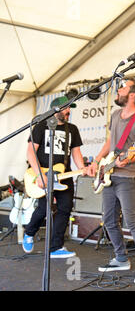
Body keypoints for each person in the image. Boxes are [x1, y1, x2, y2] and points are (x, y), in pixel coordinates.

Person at [87, 77, 135, 284]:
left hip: (128, 177)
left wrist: (129, 157)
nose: (117, 90)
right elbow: (111, 142)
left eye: (122, 87)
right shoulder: (116, 114)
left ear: (131, 95)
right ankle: (121, 258)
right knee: (108, 219)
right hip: (109, 174)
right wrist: (97, 160)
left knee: (132, 220)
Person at [22, 96, 87, 258]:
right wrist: (39, 174)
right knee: (43, 208)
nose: (69, 111)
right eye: (66, 108)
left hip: (64, 175)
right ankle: (29, 232)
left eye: (70, 108)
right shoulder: (40, 126)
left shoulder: (72, 129)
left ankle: (55, 247)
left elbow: (76, 152)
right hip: (43, 174)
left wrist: (83, 169)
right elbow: (31, 151)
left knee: (65, 209)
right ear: (55, 110)